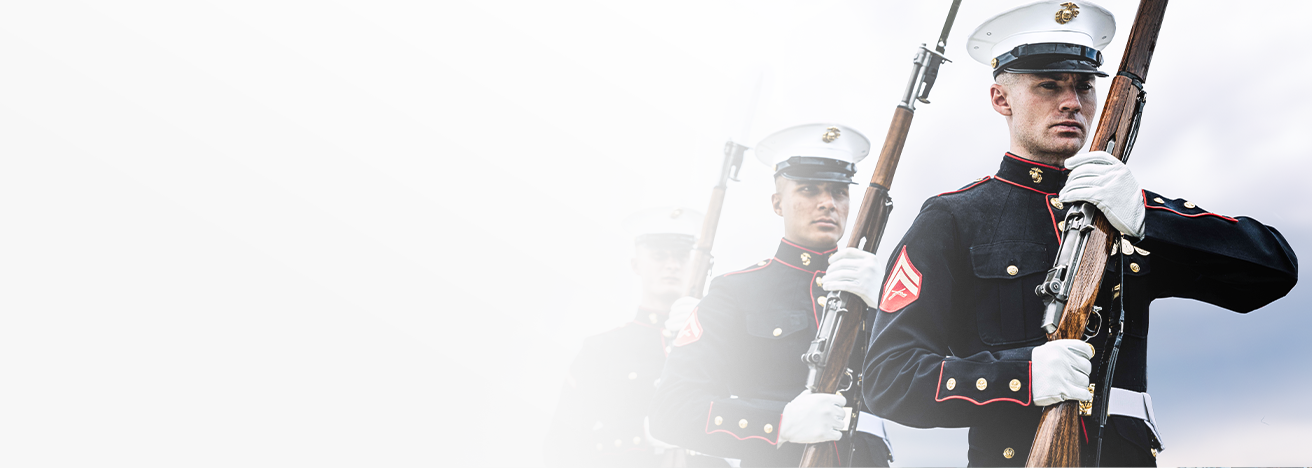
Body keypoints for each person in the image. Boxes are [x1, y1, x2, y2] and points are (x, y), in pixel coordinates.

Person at [860, 1, 1298, 466]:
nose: (1072, 101)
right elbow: (889, 378)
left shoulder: (1124, 209)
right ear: (1001, 99)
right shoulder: (954, 218)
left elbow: (1272, 270)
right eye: (1049, 85)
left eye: (1085, 86)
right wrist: (1023, 377)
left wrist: (1147, 218)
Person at [652, 123, 894, 467]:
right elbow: (671, 410)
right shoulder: (736, 292)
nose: (828, 203)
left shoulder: (875, 292)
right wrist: (780, 423)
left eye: (840, 192)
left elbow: (911, 385)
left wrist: (885, 309)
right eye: (809, 190)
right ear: (778, 203)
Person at [544, 207, 728, 467]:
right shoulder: (603, 349)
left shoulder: (718, 343)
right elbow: (563, 445)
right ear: (636, 264)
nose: (672, 265)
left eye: (681, 256)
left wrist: (706, 326)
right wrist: (641, 435)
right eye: (659, 255)